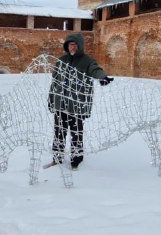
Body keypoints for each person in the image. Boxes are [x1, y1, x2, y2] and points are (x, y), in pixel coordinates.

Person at [47, 33, 114, 170]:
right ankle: (57, 158)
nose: (73, 47)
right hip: (61, 104)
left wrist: (102, 77)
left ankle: (76, 160)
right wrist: (51, 99)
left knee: (76, 133)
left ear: (80, 46)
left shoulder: (87, 61)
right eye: (70, 44)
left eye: (75, 44)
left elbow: (95, 69)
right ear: (67, 46)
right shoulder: (61, 61)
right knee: (59, 132)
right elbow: (55, 82)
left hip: (77, 105)